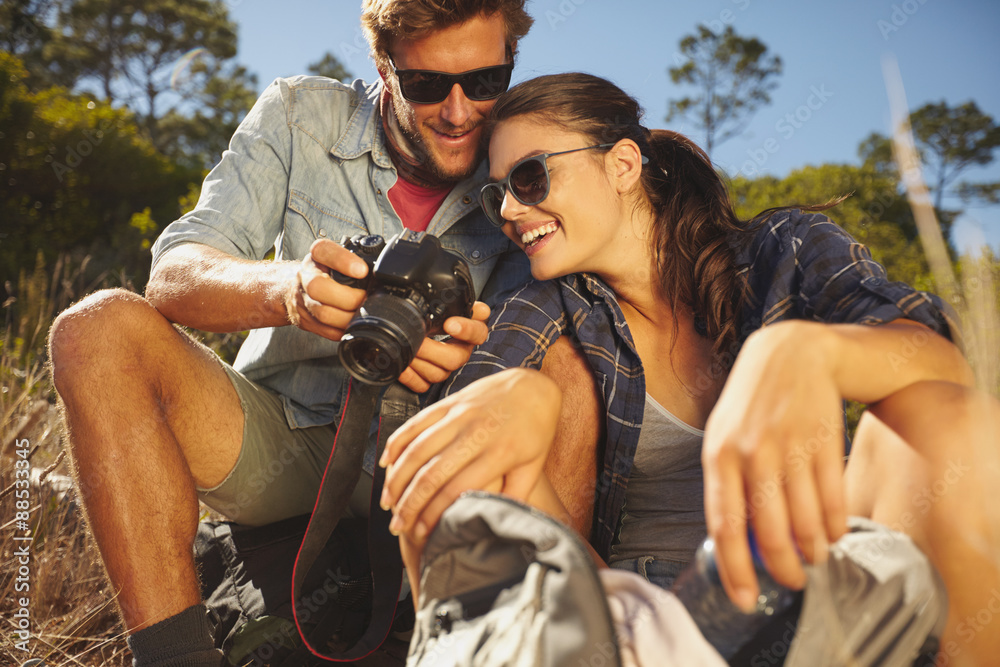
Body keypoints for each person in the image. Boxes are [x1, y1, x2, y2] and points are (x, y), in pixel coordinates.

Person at [380, 73, 1000, 664]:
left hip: (806, 582)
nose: (511, 208)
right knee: (479, 434)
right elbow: (452, 478)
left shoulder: (782, 251)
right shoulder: (551, 307)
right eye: (498, 195)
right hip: (627, 617)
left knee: (943, 417)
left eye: (530, 176)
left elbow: (941, 359)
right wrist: (521, 396)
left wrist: (805, 352)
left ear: (623, 165)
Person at [45, 2, 544, 666]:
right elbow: (174, 272)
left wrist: (474, 359)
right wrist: (288, 290)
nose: (459, 111)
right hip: (279, 437)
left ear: (510, 63)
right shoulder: (299, 115)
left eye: (484, 82)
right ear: (384, 69)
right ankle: (174, 657)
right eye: (427, 85)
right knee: (92, 331)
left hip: (426, 462)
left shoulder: (526, 159)